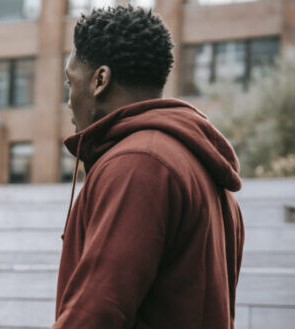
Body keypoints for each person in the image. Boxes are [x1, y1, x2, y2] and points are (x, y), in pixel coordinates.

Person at [55, 6, 244, 329]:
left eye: (70, 82)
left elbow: (99, 310)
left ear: (100, 80)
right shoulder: (200, 166)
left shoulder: (138, 164)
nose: (70, 100)